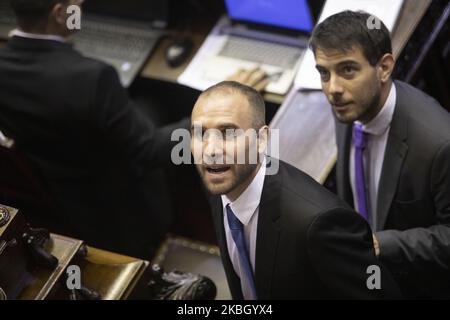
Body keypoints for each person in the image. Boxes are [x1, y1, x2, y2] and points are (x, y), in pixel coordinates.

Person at [0, 0, 191, 258]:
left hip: (71, 197)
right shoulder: (94, 76)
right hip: (131, 209)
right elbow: (151, 150)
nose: (83, 6)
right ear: (59, 13)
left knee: (149, 103)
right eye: (77, 4)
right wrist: (212, 116)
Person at [190, 81, 401, 299]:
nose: (211, 150)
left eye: (228, 133)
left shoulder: (318, 222)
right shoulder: (219, 183)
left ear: (261, 139)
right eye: (200, 133)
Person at [310, 10, 450, 298]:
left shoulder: (439, 144)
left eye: (348, 69)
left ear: (384, 67)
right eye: (324, 73)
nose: (333, 89)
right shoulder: (348, 106)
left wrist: (378, 245)